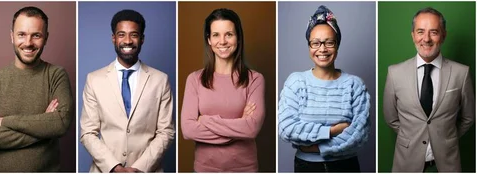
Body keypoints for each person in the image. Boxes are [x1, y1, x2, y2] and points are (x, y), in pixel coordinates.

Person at [0, 6, 73, 172]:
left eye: (36, 35)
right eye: (21, 34)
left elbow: (61, 123)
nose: (28, 43)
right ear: (12, 37)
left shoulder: (57, 75)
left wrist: (6, 122)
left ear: (46, 38)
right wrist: (44, 127)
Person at [80, 9, 175, 173]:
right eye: (121, 34)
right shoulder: (94, 79)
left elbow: (166, 132)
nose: (128, 41)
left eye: (134, 35)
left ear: (142, 39)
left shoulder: (160, 80)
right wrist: (114, 167)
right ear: (113, 38)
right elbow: (87, 133)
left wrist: (139, 168)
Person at [278, 5, 370, 172]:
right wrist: (332, 130)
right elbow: (286, 129)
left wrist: (315, 148)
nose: (322, 49)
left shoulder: (355, 85)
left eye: (329, 42)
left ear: (337, 45)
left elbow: (359, 136)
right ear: (309, 46)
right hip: (306, 167)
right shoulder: (296, 82)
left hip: (346, 167)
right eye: (315, 43)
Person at [383, 7, 475, 172]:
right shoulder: (394, 73)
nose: (426, 39)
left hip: (448, 163)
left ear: (443, 35)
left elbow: (468, 117)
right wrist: (412, 137)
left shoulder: (462, 73)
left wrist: (446, 137)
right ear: (413, 35)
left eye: (434, 32)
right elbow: (391, 118)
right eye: (420, 32)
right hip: (406, 163)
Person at [180, 8, 265, 172]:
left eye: (229, 34)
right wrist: (238, 126)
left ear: (238, 38)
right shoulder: (194, 79)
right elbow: (188, 130)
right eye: (216, 35)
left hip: (244, 168)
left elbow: (251, 129)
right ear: (209, 40)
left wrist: (204, 121)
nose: (223, 41)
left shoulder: (255, 79)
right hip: (205, 168)